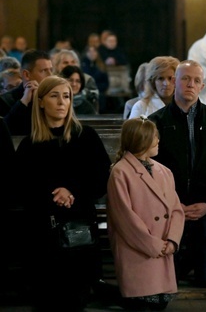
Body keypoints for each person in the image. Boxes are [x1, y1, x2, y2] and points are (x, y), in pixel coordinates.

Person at [15, 76, 111, 310]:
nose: (61, 102)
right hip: (43, 228)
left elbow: (101, 178)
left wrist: (72, 191)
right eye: (54, 96)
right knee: (46, 297)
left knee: (76, 297)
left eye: (66, 96)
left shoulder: (86, 136)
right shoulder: (30, 144)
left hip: (79, 226)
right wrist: (52, 195)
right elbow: (20, 185)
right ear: (40, 102)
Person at [150, 61, 206, 288]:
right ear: (175, 82)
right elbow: (149, 169)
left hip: (204, 205)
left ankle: (194, 260)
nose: (191, 84)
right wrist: (172, 203)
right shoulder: (157, 122)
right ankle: (183, 260)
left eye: (196, 80)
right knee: (170, 277)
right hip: (169, 208)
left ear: (202, 86)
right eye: (185, 79)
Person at [108, 117, 185, 311]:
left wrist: (173, 240)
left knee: (160, 304)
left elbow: (176, 209)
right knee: (141, 304)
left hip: (164, 249)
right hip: (139, 251)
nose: (158, 140)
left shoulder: (164, 171)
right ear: (140, 140)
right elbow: (124, 218)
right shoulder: (120, 172)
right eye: (154, 136)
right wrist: (153, 245)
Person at [0, 50, 53, 135]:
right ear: (26, 75)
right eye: (44, 71)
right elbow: (4, 131)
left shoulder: (54, 97)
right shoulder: (4, 101)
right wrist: (23, 102)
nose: (50, 75)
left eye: (51, 70)